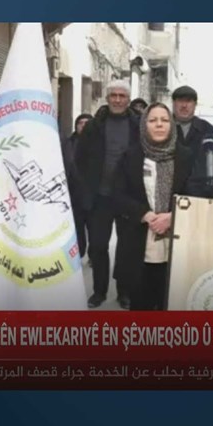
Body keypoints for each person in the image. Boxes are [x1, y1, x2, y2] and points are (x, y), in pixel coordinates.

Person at [113, 103, 192, 310]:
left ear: (172, 125)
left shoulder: (187, 157)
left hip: (176, 247)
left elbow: (195, 195)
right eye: (153, 120)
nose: (159, 125)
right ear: (144, 125)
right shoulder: (130, 157)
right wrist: (145, 215)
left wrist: (172, 217)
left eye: (164, 120)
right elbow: (117, 195)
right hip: (139, 246)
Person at [75, 80, 140, 309]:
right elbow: (79, 159)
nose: (118, 100)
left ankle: (124, 292)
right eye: (114, 95)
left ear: (128, 100)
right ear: (107, 97)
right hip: (100, 198)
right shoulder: (94, 125)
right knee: (98, 246)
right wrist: (86, 188)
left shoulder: (138, 125)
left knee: (126, 249)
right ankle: (99, 291)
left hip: (127, 198)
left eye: (122, 96)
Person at [61, 113, 92, 259]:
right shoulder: (68, 143)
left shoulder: (99, 143)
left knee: (95, 231)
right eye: (81, 123)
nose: (84, 126)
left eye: (87, 123)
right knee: (77, 228)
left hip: (94, 197)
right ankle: (79, 255)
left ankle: (93, 256)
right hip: (74, 195)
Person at [171, 85, 213, 158]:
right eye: (180, 100)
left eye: (188, 101)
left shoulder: (207, 129)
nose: (184, 105)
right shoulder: (164, 127)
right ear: (173, 103)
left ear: (195, 104)